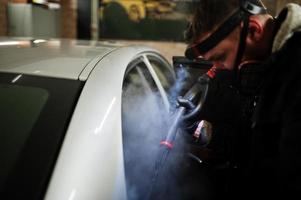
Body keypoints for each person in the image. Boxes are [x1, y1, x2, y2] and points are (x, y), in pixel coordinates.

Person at [184, 0, 301, 199]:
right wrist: (214, 136)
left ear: (254, 31)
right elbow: (264, 147)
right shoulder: (275, 64)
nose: (219, 68)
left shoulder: (295, 71)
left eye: (220, 57)